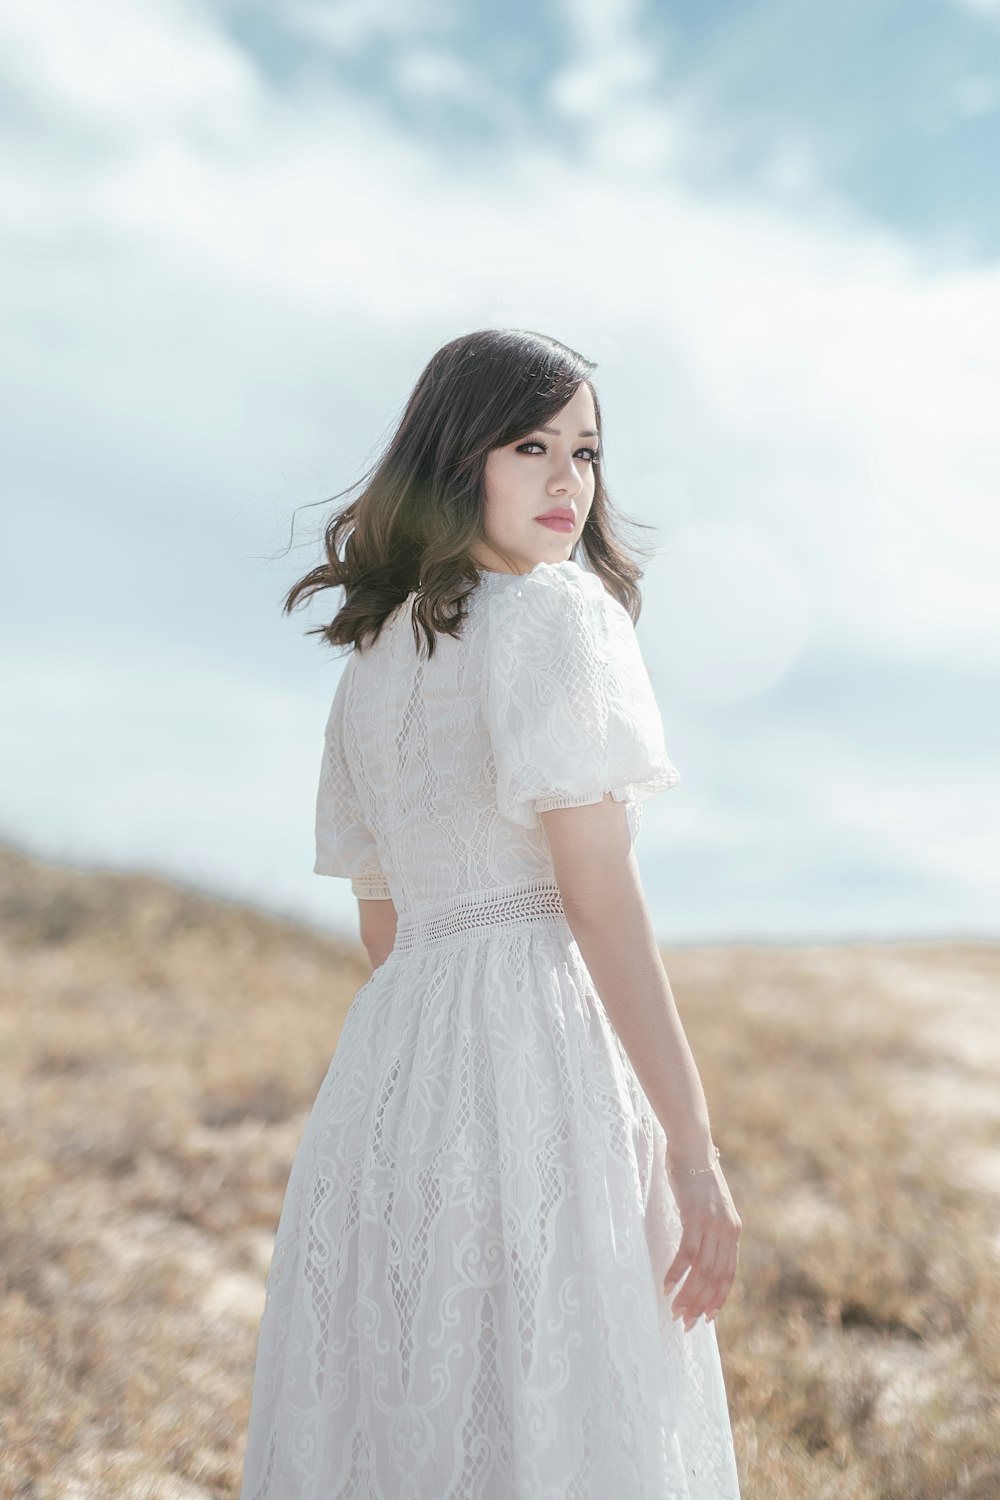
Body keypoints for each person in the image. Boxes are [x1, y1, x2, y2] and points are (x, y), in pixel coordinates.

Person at [238, 328, 743, 1499]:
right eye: (532, 445)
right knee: (557, 1410)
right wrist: (693, 1147)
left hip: (390, 1080)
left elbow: (387, 932)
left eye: (587, 452)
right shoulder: (557, 617)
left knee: (420, 1406)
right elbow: (599, 899)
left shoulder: (370, 663)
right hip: (537, 1056)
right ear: (459, 454)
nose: (569, 481)